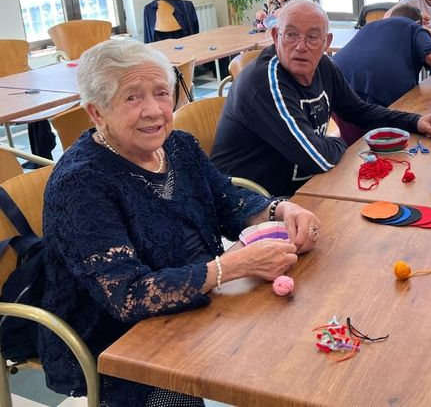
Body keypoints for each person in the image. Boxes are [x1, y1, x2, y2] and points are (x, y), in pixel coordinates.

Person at [39, 39, 321, 406]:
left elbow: (229, 202)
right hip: (120, 337)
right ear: (96, 112)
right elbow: (127, 297)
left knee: (299, 345)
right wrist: (228, 268)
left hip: (201, 295)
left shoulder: (178, 147)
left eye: (161, 93)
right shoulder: (82, 183)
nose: (155, 110)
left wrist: (283, 210)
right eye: (132, 98)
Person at [211, 0, 431, 197]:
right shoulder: (265, 81)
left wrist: (413, 122)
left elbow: (359, 111)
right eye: (291, 35)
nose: (301, 47)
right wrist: (341, 142)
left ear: (327, 42)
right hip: (255, 202)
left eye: (313, 37)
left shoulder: (324, 66)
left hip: (307, 189)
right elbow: (316, 158)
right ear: (275, 36)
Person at [332, 4, 431, 144]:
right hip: (378, 92)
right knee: (382, 145)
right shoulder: (413, 27)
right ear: (418, 22)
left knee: (354, 144)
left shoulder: (371, 25)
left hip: (334, 84)